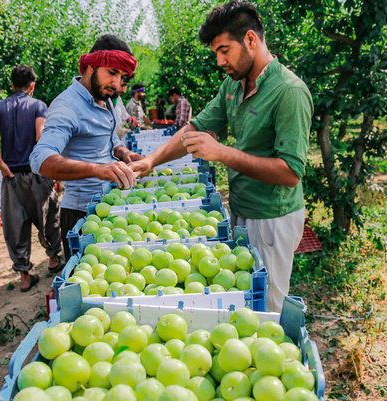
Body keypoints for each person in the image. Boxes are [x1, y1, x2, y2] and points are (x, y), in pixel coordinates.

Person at [130, 1, 313, 312]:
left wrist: (223, 153)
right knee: (243, 300)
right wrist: (151, 161)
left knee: (267, 304)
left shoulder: (288, 92)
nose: (219, 61)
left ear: (251, 40)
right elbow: (195, 127)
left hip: (272, 216)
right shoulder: (233, 85)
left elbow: (290, 171)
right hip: (241, 209)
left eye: (225, 50)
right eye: (216, 52)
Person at [29, 34, 143, 261]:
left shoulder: (105, 99)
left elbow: (112, 142)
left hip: (111, 205)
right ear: (90, 66)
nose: (116, 83)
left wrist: (125, 153)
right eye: (112, 73)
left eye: (121, 76)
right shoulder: (67, 106)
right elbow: (40, 159)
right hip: (82, 215)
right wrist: (97, 169)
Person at [0, 64, 63, 293]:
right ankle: (54, 259)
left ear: (12, 85)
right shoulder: (38, 106)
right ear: (32, 86)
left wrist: (0, 163)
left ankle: (25, 275)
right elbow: (40, 136)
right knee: (48, 217)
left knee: (16, 225)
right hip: (35, 173)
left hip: (11, 175)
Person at [112, 75, 139, 140]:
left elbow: (124, 115)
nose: (124, 91)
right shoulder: (100, 101)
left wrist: (130, 119)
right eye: (122, 85)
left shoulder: (118, 99)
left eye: (126, 86)